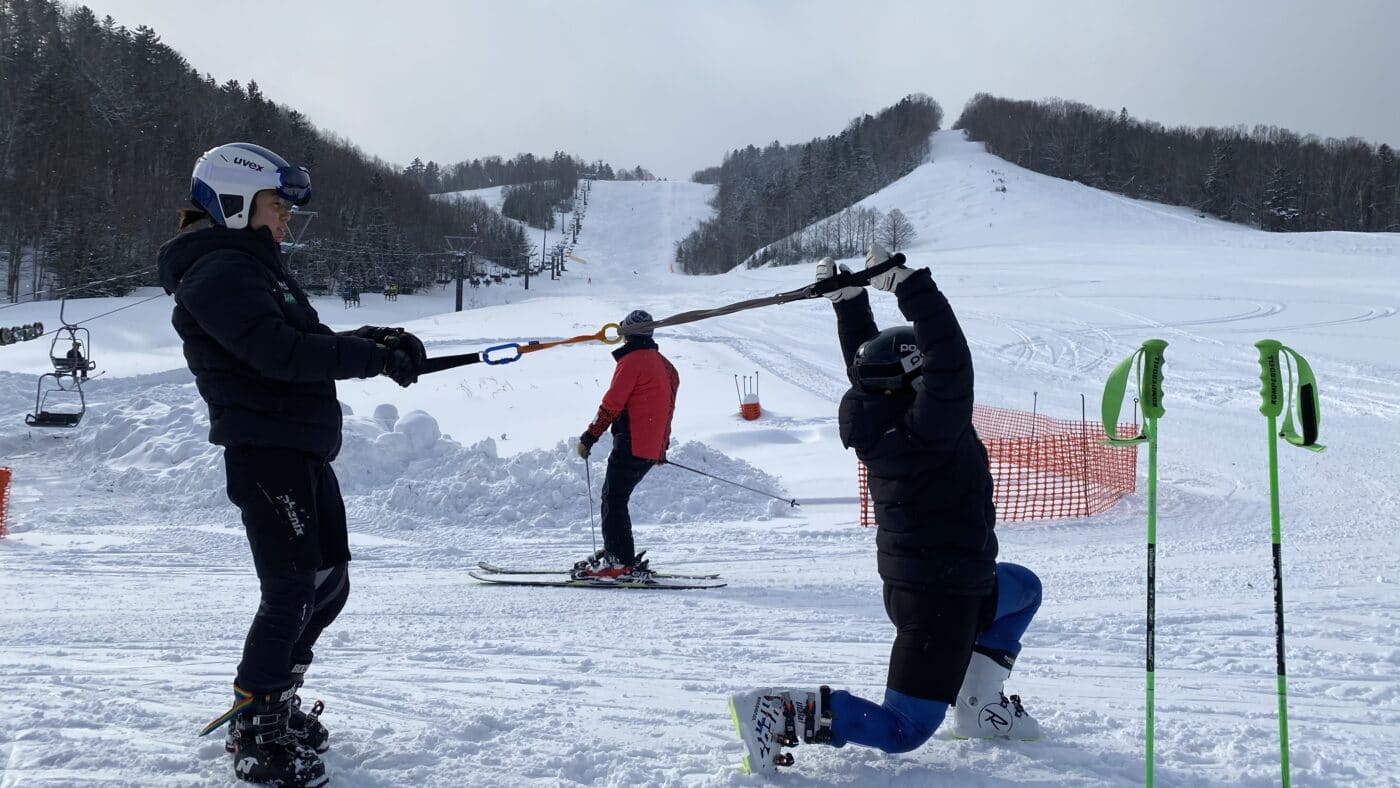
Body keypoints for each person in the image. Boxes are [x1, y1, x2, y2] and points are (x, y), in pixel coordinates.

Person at [157, 142, 425, 787]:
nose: (286, 219)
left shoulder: (253, 265)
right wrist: (370, 359)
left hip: (299, 444)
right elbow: (276, 354)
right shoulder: (216, 269)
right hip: (265, 449)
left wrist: (373, 341)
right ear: (235, 199)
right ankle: (259, 719)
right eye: (278, 205)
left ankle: (277, 694)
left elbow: (303, 344)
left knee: (327, 582)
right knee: (291, 589)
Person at [730, 245, 1042, 773]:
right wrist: (911, 287)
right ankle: (778, 711)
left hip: (955, 578)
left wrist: (850, 303)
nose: (928, 373)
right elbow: (953, 364)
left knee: (1023, 589)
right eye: (920, 369)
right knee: (903, 732)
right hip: (937, 601)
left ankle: (977, 705)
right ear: (911, 384)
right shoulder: (927, 432)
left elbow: (870, 359)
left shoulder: (888, 412)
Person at [571, 309, 679, 581]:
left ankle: (619, 561)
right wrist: (661, 447)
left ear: (628, 334)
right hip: (648, 445)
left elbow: (611, 405)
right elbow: (668, 407)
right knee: (617, 497)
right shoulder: (665, 365)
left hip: (632, 442)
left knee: (614, 498)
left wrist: (589, 437)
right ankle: (617, 553)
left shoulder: (632, 362)